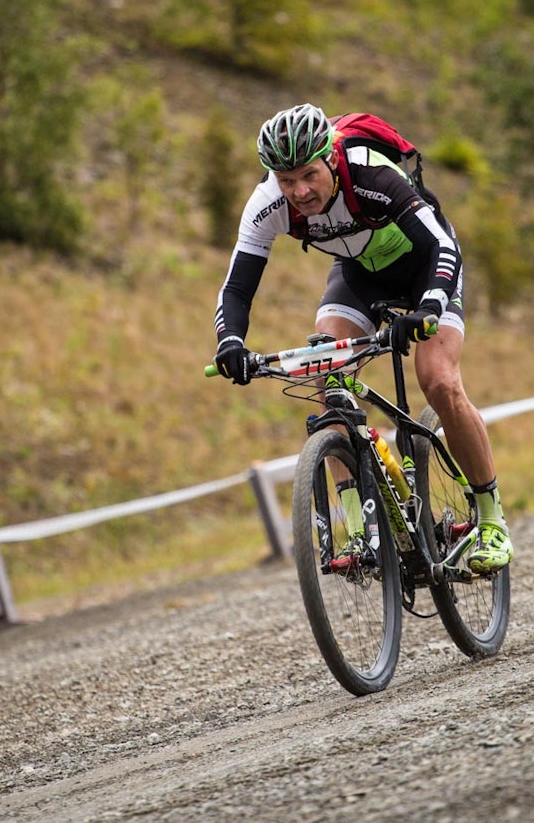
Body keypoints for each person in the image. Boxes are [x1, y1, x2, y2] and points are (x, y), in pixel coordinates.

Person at [211, 102, 513, 574]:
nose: (299, 191)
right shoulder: (268, 202)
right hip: (359, 276)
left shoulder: (370, 174)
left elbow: (442, 245)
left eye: (308, 175)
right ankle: (361, 531)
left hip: (425, 269)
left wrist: (430, 307)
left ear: (331, 157)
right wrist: (230, 342)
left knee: (438, 380)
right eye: (286, 180)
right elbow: (237, 287)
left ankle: (492, 517)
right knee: (327, 375)